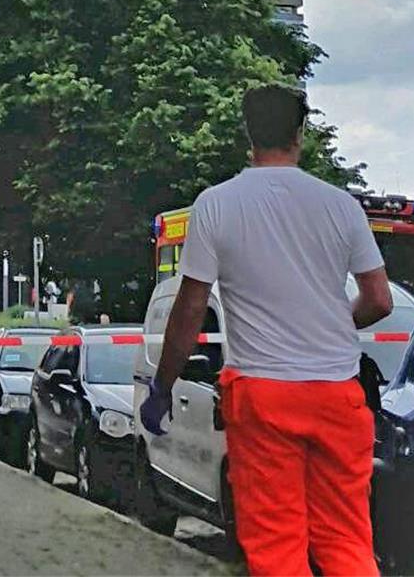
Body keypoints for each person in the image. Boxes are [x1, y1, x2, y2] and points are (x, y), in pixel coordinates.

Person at [140, 85, 393, 577]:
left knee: (277, 546)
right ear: (301, 134)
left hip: (263, 397)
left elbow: (190, 309)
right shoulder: (341, 206)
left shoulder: (216, 205)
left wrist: (162, 386)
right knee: (346, 540)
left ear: (248, 135)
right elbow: (380, 300)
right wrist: (328, 326)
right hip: (338, 396)